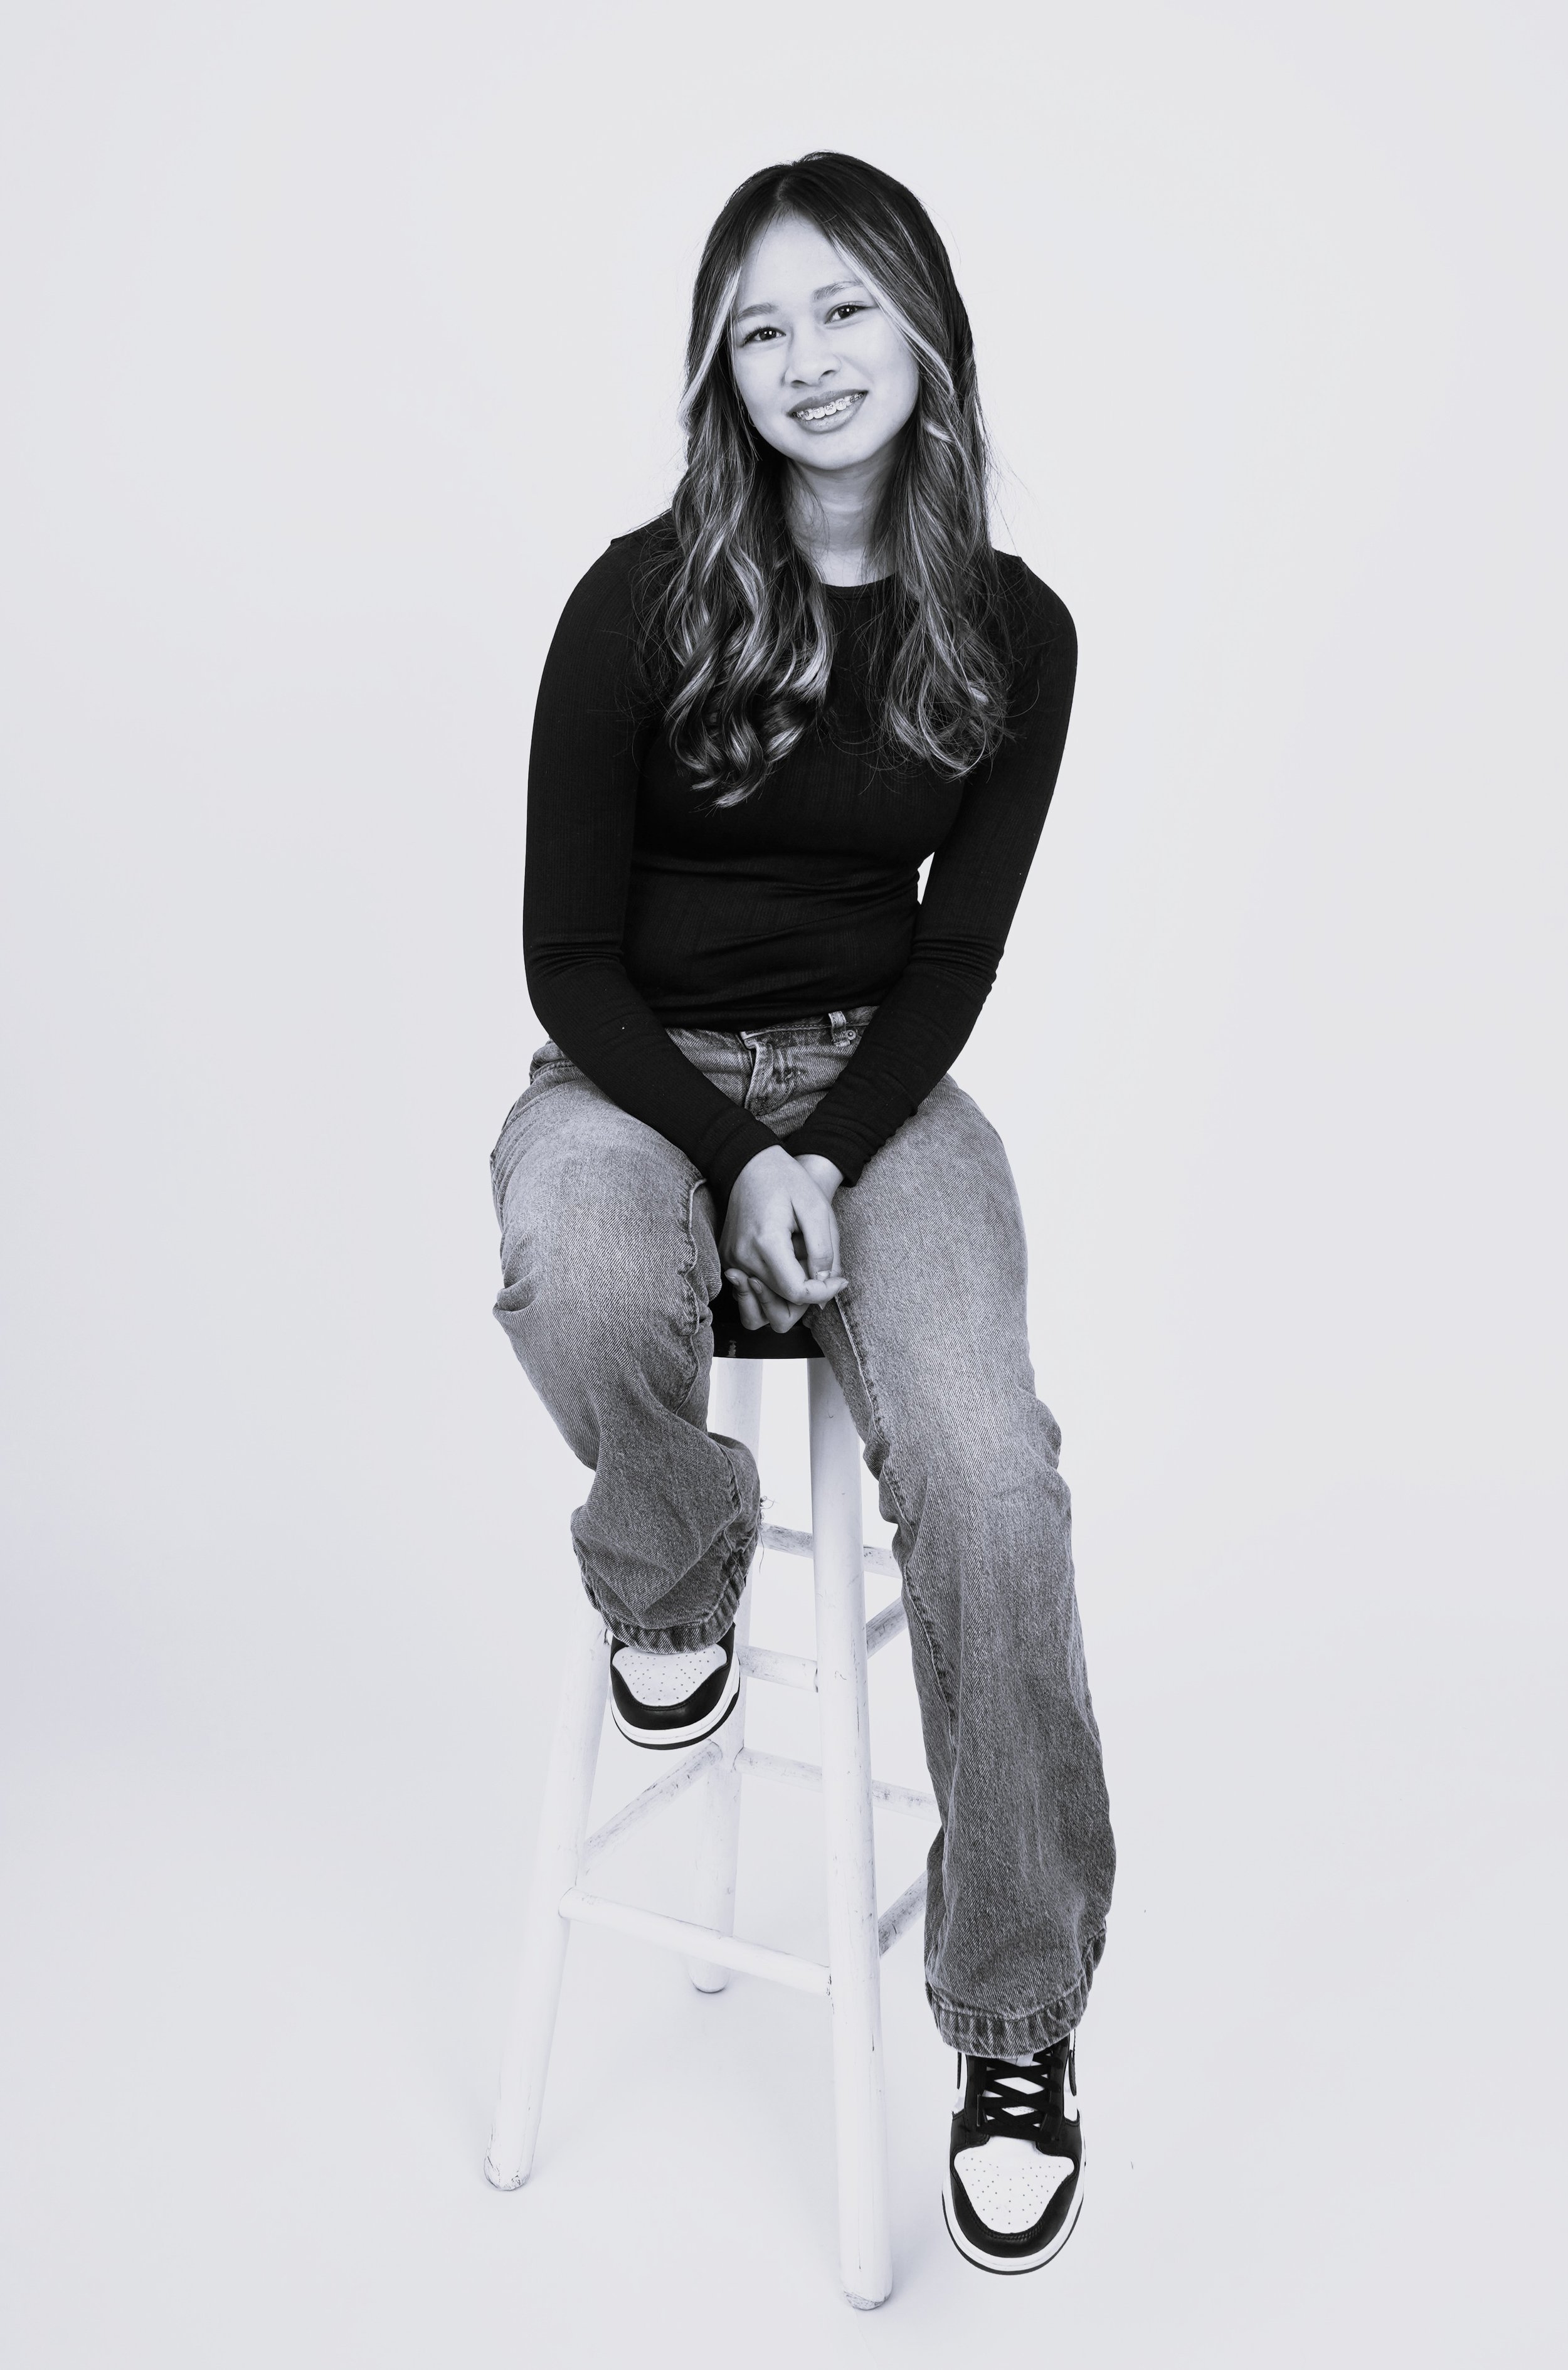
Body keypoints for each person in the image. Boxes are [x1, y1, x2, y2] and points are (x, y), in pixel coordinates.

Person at [489, 152, 1115, 2275]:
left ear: (920, 325)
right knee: (577, 1265)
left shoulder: (1012, 631)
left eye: (839, 310)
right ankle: (673, 1584)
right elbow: (565, 952)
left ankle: (1012, 2022)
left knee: (990, 1476)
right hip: (634, 1068)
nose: (805, 361)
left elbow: (953, 962)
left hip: (885, 1081)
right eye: (759, 329)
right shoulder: (635, 595)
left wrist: (827, 1143)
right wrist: (728, 1145)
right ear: (719, 376)